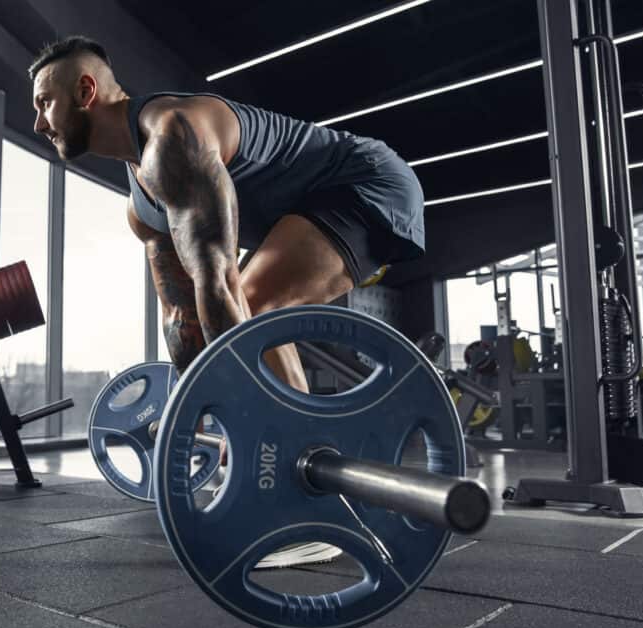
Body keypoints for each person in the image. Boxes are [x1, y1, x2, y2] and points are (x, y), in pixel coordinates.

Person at [29, 36, 426, 567]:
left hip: (367, 183)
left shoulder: (173, 134)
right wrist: (207, 412)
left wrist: (244, 424)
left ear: (85, 90)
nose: (38, 122)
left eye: (43, 103)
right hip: (309, 208)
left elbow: (216, 282)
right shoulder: (140, 208)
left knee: (251, 309)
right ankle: (295, 467)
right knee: (239, 316)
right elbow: (182, 318)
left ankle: (312, 505)